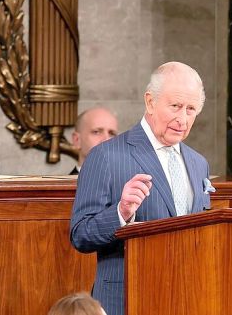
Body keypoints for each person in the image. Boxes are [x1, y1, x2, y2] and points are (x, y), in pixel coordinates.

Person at [70, 62, 212, 315]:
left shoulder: (198, 163)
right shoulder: (106, 156)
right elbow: (80, 234)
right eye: (175, 106)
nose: (182, 119)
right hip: (129, 299)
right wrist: (121, 213)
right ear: (150, 102)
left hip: (188, 299)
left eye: (191, 109)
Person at [70, 107, 119, 174]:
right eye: (96, 132)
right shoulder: (61, 181)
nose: (107, 140)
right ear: (77, 140)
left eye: (112, 134)